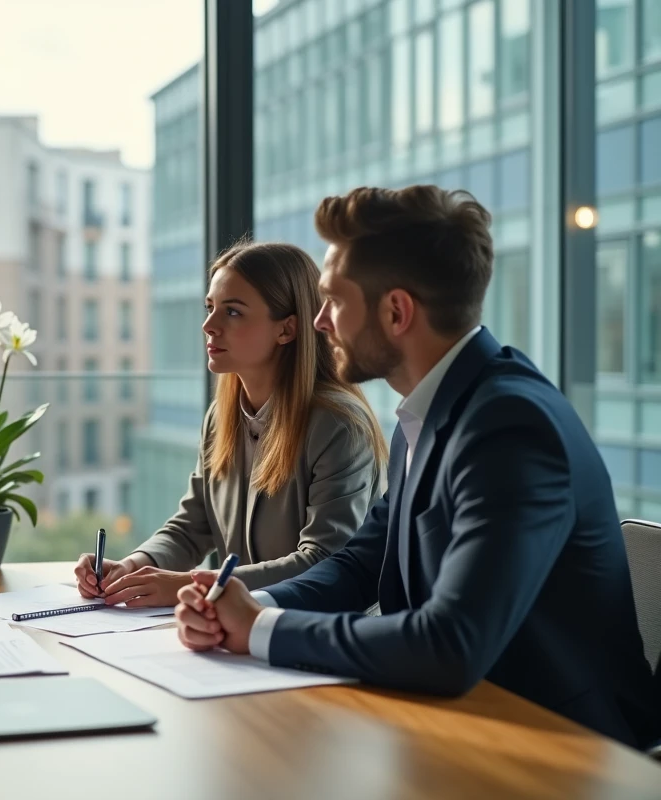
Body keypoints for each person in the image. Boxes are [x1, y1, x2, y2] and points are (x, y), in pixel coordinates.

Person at [174, 185, 659, 749]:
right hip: (459, 727)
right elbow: (360, 564)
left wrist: (259, 630)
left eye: (333, 300)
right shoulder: (431, 412)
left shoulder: (512, 426)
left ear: (396, 311)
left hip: (559, 749)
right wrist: (253, 604)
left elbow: (450, 644)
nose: (321, 322)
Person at [75, 242, 387, 607]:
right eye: (210, 308)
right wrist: (132, 568)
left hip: (317, 636)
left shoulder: (338, 426)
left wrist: (186, 586)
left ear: (286, 329)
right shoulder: (221, 418)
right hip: (241, 631)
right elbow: (192, 528)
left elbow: (324, 562)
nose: (209, 326)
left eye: (233, 312)